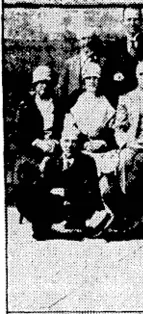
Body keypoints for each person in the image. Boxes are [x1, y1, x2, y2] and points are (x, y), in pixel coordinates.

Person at [22, 128, 107, 240]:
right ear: (60, 142)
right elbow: (44, 186)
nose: (70, 145)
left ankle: (76, 223)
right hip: (57, 203)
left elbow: (92, 189)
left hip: (78, 202)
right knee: (31, 196)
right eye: (66, 141)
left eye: (74, 141)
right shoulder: (52, 161)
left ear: (79, 143)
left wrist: (66, 192)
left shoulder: (87, 161)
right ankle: (44, 226)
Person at [11, 65, 66, 207]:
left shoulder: (59, 105)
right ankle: (32, 208)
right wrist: (36, 142)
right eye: (40, 83)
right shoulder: (25, 106)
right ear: (34, 85)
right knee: (26, 169)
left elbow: (65, 128)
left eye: (47, 82)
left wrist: (56, 141)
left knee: (56, 166)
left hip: (55, 149)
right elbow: (18, 134)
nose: (44, 86)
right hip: (32, 150)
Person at [63, 63, 117, 176]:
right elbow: (70, 130)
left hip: (103, 150)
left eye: (95, 78)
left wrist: (104, 142)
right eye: (88, 78)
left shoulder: (107, 102)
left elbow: (114, 130)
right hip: (80, 148)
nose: (92, 81)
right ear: (84, 80)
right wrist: (84, 143)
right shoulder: (76, 101)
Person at [108, 7, 143, 97]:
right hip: (122, 96)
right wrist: (114, 75)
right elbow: (108, 72)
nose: (132, 23)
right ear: (123, 22)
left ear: (141, 22)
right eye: (129, 19)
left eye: (136, 19)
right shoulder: (114, 46)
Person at [57, 25, 106, 105]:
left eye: (90, 38)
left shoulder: (102, 63)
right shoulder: (69, 63)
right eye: (83, 39)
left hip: (96, 107)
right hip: (73, 107)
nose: (87, 42)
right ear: (79, 42)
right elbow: (62, 87)